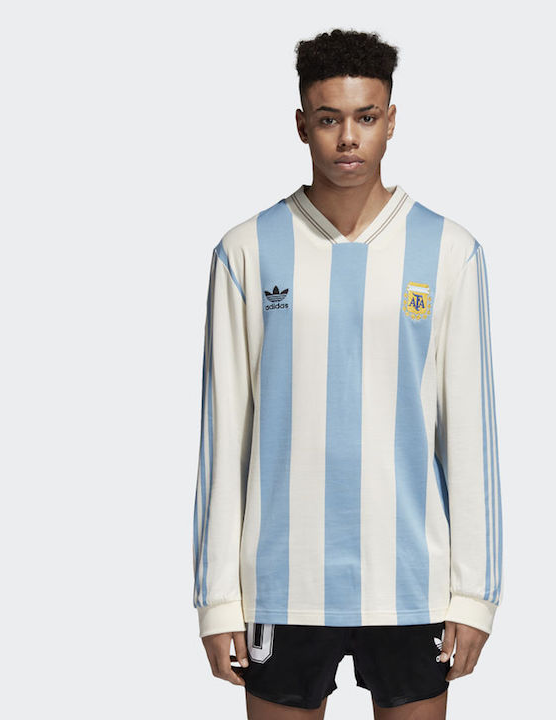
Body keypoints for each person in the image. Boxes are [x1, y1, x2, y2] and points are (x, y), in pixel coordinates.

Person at [192, 28, 504, 720]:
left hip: (411, 584)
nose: (348, 138)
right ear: (301, 123)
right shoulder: (246, 251)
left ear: (391, 121)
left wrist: (474, 594)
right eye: (329, 118)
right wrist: (216, 599)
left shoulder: (449, 251)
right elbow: (224, 437)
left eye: (366, 117)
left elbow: (469, 436)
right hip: (282, 584)